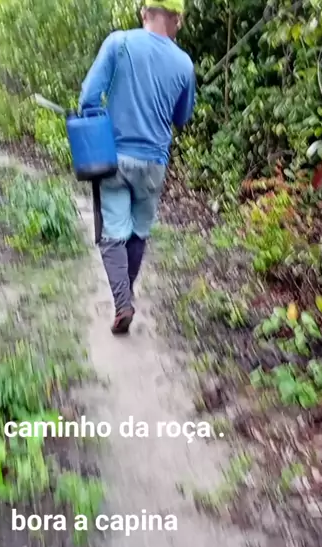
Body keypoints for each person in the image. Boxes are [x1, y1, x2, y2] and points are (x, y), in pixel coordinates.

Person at [79, 0, 196, 334]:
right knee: (138, 231)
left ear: (144, 12)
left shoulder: (119, 43)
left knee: (112, 234)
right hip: (154, 163)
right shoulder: (184, 64)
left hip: (114, 158)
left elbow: (88, 98)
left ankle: (123, 303)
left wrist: (98, 126)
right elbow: (182, 117)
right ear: (177, 19)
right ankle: (125, 296)